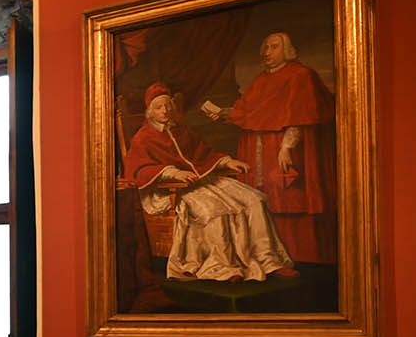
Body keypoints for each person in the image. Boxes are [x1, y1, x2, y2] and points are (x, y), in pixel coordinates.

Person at [124, 83, 297, 283]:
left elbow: (204, 153)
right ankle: (223, 266)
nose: (165, 111)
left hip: (200, 181)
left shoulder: (181, 130)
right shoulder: (143, 138)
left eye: (168, 105)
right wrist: (173, 173)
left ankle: (268, 261)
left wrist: (227, 161)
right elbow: (138, 169)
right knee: (215, 210)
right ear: (150, 112)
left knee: (255, 199)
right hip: (168, 190)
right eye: (158, 107)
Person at [215, 32, 337, 263]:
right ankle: (267, 257)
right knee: (263, 201)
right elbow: (250, 112)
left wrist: (287, 146)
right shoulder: (261, 79)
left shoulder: (301, 75)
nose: (267, 52)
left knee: (290, 197)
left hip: (286, 150)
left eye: (273, 47)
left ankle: (302, 257)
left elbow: (300, 115)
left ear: (287, 50)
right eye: (265, 47)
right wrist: (225, 113)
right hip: (260, 151)